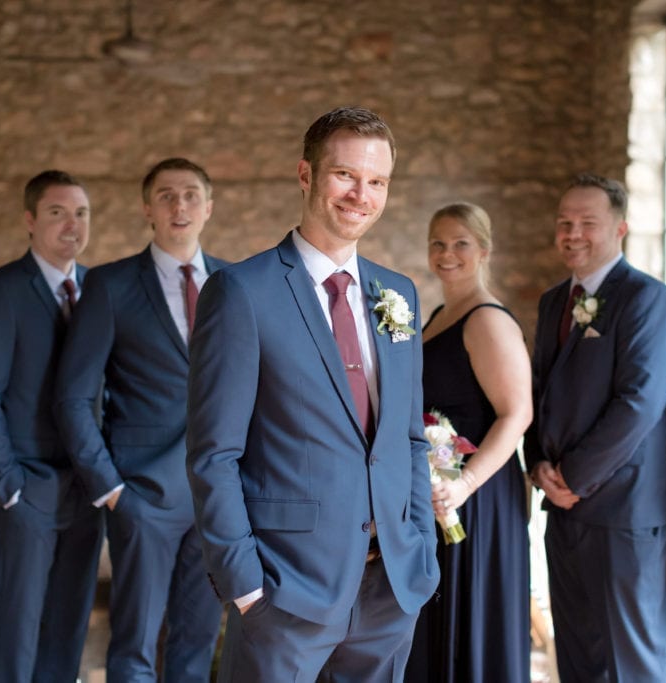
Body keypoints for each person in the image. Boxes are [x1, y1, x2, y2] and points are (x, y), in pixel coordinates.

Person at [186, 106, 440, 682]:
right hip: (286, 590)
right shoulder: (240, 292)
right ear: (306, 175)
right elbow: (213, 453)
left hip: (391, 591)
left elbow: (408, 438)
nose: (361, 195)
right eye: (345, 175)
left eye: (377, 181)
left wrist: (420, 552)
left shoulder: (397, 293)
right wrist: (246, 586)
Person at [54, 157, 227, 681]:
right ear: (146, 208)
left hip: (216, 496)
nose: (180, 206)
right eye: (168, 195)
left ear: (208, 208)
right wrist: (110, 488)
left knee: (197, 644)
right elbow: (72, 397)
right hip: (142, 495)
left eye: (191, 195)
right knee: (133, 646)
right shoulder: (109, 286)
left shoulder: (234, 283)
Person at [523, 173, 666, 682]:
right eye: (564, 223)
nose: (573, 233)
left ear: (620, 229)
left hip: (626, 510)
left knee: (630, 659)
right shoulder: (554, 302)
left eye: (587, 223)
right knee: (575, 653)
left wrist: (573, 477)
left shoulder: (648, 300)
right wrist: (538, 464)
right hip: (564, 508)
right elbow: (539, 389)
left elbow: (638, 404)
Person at [0, 170, 104, 682]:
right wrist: (6, 485)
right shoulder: (0, 291)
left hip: (88, 488)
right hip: (27, 485)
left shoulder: (97, 289)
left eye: (81, 213)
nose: (72, 224)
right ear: (30, 220)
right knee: (18, 627)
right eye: (57, 212)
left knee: (68, 626)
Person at [405, 202, 533, 683]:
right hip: (442, 491)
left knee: (471, 618)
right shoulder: (441, 313)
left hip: (476, 499)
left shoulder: (486, 320)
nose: (447, 253)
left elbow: (517, 412)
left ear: (484, 250)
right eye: (438, 242)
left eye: (460, 243)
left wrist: (466, 484)